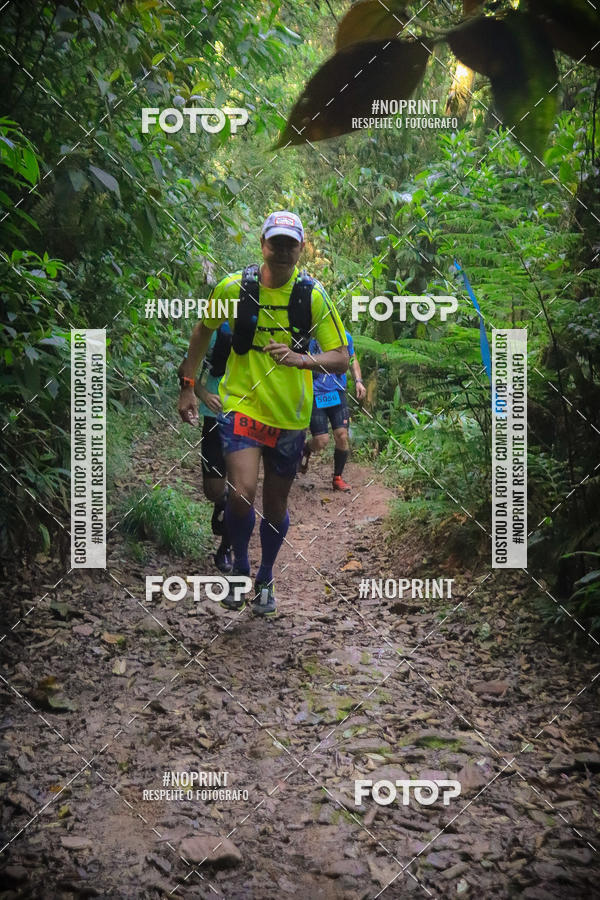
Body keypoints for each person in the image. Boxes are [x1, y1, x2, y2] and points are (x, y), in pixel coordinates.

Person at [178, 211, 348, 616]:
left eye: (292, 244)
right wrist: (188, 387)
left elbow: (340, 357)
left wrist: (299, 360)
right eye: (277, 243)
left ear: (301, 249)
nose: (284, 251)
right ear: (263, 244)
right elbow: (203, 330)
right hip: (241, 406)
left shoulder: (313, 297)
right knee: (240, 494)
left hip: (289, 416)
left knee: (274, 507)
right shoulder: (234, 288)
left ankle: (266, 575)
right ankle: (239, 568)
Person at [178, 323, 234, 573]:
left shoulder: (264, 330)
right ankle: (220, 502)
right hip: (215, 418)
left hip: (247, 420)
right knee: (213, 489)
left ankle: (227, 547)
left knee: (240, 489)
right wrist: (201, 394)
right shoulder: (214, 332)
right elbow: (186, 369)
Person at [300, 330, 366, 491]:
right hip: (315, 394)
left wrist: (358, 381)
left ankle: (337, 478)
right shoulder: (308, 338)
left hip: (337, 392)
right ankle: (306, 449)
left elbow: (352, 359)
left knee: (342, 435)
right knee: (321, 440)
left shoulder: (344, 337)